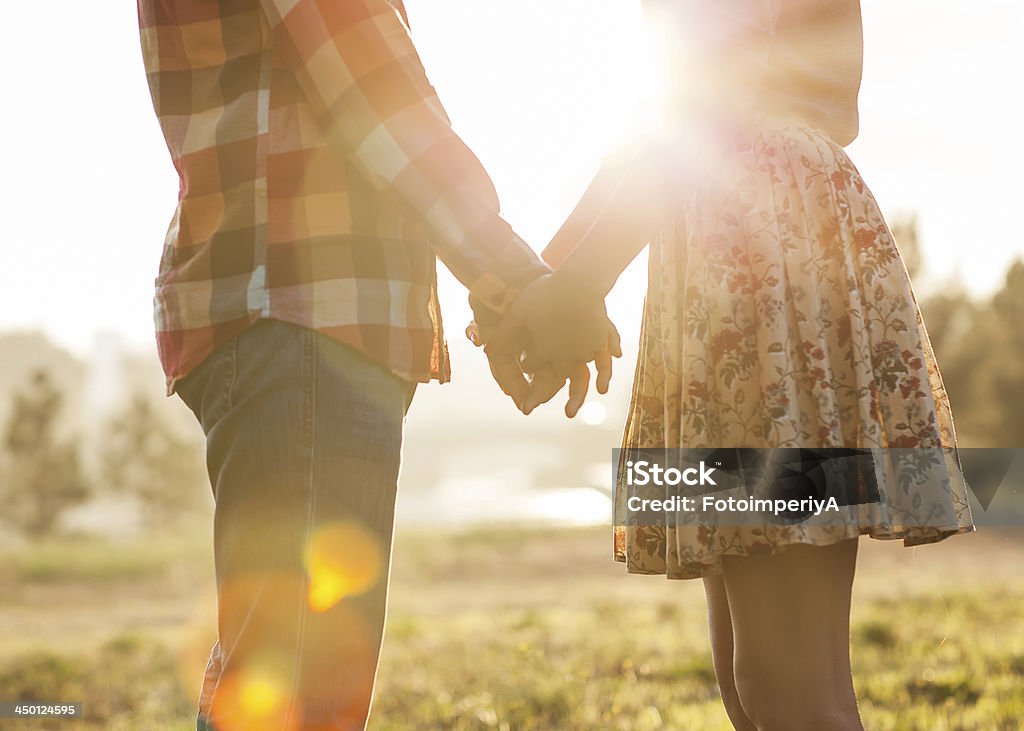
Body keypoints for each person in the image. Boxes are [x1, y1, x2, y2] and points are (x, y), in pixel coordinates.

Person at [136, 1, 611, 728]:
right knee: (300, 686)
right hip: (300, 303)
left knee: (274, 664)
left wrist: (501, 294)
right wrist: (517, 281)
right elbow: (378, 100)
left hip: (281, 309)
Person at [505, 1, 976, 728]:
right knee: (750, 678)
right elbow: (657, 124)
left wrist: (569, 288)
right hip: (724, 251)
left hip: (764, 250)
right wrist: (538, 283)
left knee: (788, 681)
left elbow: (705, 101)